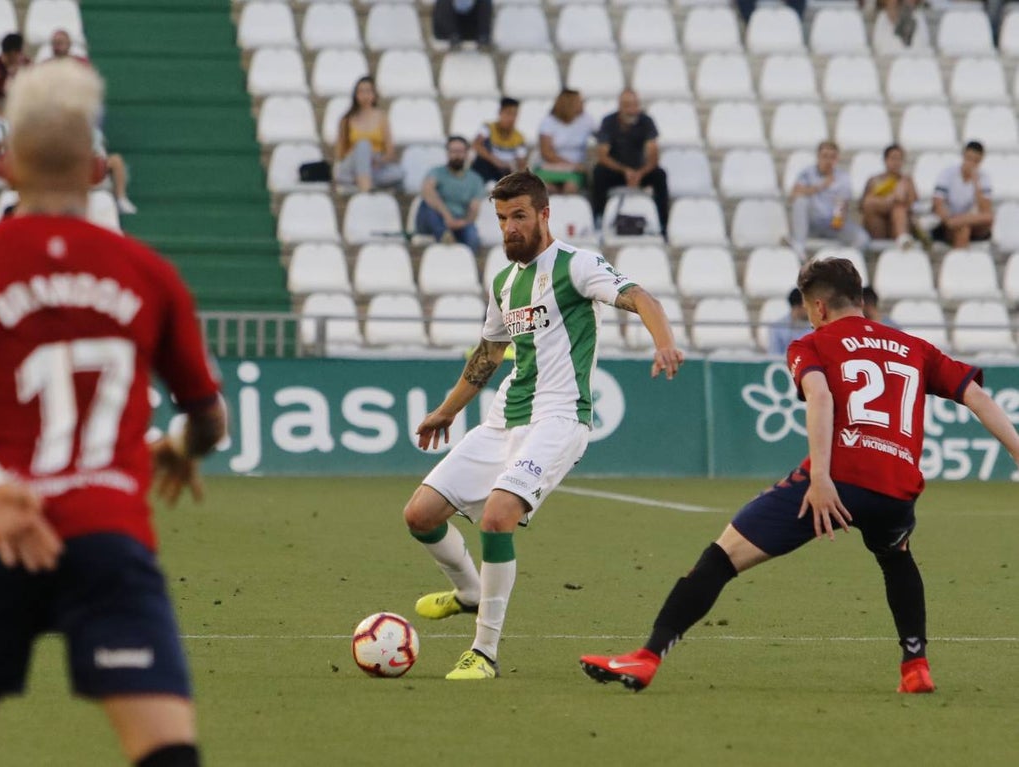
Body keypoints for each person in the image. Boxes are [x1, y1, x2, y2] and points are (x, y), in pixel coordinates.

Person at [0, 59, 226, 767]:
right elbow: (209, 419)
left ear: (5, 164)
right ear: (98, 170)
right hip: (109, 537)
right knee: (167, 755)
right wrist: (181, 447)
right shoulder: (148, 273)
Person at [579, 257, 1019, 695]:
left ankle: (647, 657)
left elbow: (821, 397)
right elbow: (978, 398)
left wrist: (823, 478)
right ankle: (915, 666)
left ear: (819, 309)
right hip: (896, 490)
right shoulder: (914, 347)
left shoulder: (813, 344)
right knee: (896, 555)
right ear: (860, 301)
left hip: (834, 481)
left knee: (721, 557)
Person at [404, 170, 685, 680]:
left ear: (543, 214)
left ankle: (484, 652)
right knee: (420, 514)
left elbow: (643, 298)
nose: (509, 228)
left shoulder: (576, 266)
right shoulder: (505, 282)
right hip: (504, 418)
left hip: (559, 418)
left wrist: (663, 341)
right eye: (501, 219)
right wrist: (447, 409)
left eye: (519, 217)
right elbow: (489, 353)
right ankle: (469, 591)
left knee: (497, 516)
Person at [591, 89, 669, 231]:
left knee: (660, 175)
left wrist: (640, 173)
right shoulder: (609, 122)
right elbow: (602, 155)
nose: (632, 110)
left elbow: (653, 155)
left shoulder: (646, 121)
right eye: (628, 105)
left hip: (641, 172)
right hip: (617, 171)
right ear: (620, 106)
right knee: (599, 173)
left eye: (635, 105)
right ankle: (598, 217)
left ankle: (663, 223)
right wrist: (625, 170)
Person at [787, 141, 869, 256]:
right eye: (825, 156)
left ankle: (845, 265)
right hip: (812, 223)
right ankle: (799, 246)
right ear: (818, 157)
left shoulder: (843, 177)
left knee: (862, 239)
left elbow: (842, 204)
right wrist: (821, 186)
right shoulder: (807, 173)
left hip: (833, 224)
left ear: (837, 159)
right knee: (800, 201)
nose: (828, 161)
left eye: (832, 157)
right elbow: (795, 193)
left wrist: (837, 222)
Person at [334, 76, 403, 193]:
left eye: (368, 91)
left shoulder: (382, 117)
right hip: (353, 161)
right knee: (363, 144)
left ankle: (360, 181)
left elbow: (390, 152)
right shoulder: (347, 119)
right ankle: (366, 187)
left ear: (374, 94)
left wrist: (379, 161)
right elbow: (340, 152)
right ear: (355, 95)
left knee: (398, 173)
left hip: (375, 163)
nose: (365, 95)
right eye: (361, 91)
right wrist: (360, 157)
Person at [415, 136, 484, 253]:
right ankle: (444, 236)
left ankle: (468, 264)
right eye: (453, 151)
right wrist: (447, 216)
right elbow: (427, 191)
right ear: (447, 153)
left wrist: (463, 222)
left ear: (467, 153)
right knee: (427, 205)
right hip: (435, 219)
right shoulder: (436, 172)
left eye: (460, 151)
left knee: (472, 236)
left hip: (460, 220)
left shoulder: (475, 179)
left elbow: (474, 209)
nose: (457, 155)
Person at [932, 141, 993, 248]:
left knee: (987, 218)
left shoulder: (983, 178)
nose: (971, 163)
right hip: (948, 220)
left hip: (967, 220)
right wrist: (948, 220)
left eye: (976, 161)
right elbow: (938, 204)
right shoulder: (947, 174)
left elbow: (985, 211)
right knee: (964, 229)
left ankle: (958, 222)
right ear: (963, 156)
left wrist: (976, 184)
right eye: (969, 159)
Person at [534, 89, 595, 194]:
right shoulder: (548, 122)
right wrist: (571, 165)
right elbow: (547, 153)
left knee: (570, 188)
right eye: (580, 101)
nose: (583, 104)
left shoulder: (586, 120)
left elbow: (601, 135)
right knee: (547, 189)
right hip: (551, 167)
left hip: (576, 170)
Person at [861, 144, 918, 248]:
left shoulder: (907, 181)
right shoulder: (874, 180)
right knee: (872, 202)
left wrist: (900, 193)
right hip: (878, 226)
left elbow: (911, 205)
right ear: (885, 160)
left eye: (899, 159)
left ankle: (902, 239)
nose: (896, 163)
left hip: (899, 224)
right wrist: (891, 200)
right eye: (893, 158)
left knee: (899, 208)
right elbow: (865, 205)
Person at [471, 97, 527, 184]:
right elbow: (476, 145)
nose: (511, 118)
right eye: (508, 113)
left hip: (504, 171)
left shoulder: (519, 138)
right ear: (500, 113)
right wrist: (495, 161)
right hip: (488, 165)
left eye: (515, 114)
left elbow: (521, 162)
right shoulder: (488, 128)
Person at [95, 126, 138, 215]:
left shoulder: (96, 133)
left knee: (116, 159)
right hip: (80, 174)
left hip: (100, 173)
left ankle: (121, 199)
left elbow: (102, 152)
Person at [767, 287, 811, 355]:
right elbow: (774, 356)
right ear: (797, 307)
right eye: (808, 306)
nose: (811, 310)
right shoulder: (777, 328)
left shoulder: (816, 326)